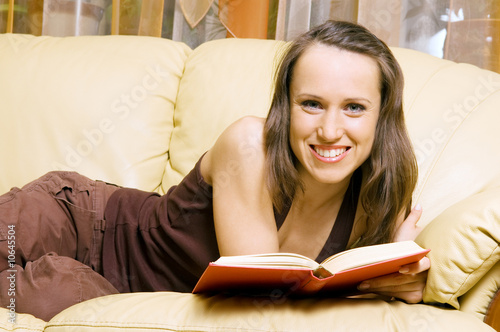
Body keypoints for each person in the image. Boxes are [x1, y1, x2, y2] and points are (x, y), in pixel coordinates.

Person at [0, 20, 430, 321]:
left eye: (354, 108)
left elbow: (408, 288)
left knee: (57, 292)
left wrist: (402, 273)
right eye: (311, 104)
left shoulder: (382, 190)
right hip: (81, 221)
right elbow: (260, 300)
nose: (330, 130)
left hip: (105, 292)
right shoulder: (250, 145)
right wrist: (370, 282)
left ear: (382, 117)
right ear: (286, 107)